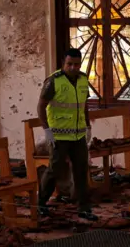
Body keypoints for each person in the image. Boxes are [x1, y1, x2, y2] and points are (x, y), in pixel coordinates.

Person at [36, 48, 98, 221]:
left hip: (78, 136)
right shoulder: (54, 81)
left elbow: (84, 104)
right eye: (69, 64)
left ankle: (84, 208)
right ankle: (40, 203)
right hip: (58, 136)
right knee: (55, 169)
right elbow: (41, 106)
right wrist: (47, 130)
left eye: (76, 64)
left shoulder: (83, 80)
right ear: (64, 62)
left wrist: (87, 127)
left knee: (81, 170)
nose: (73, 67)